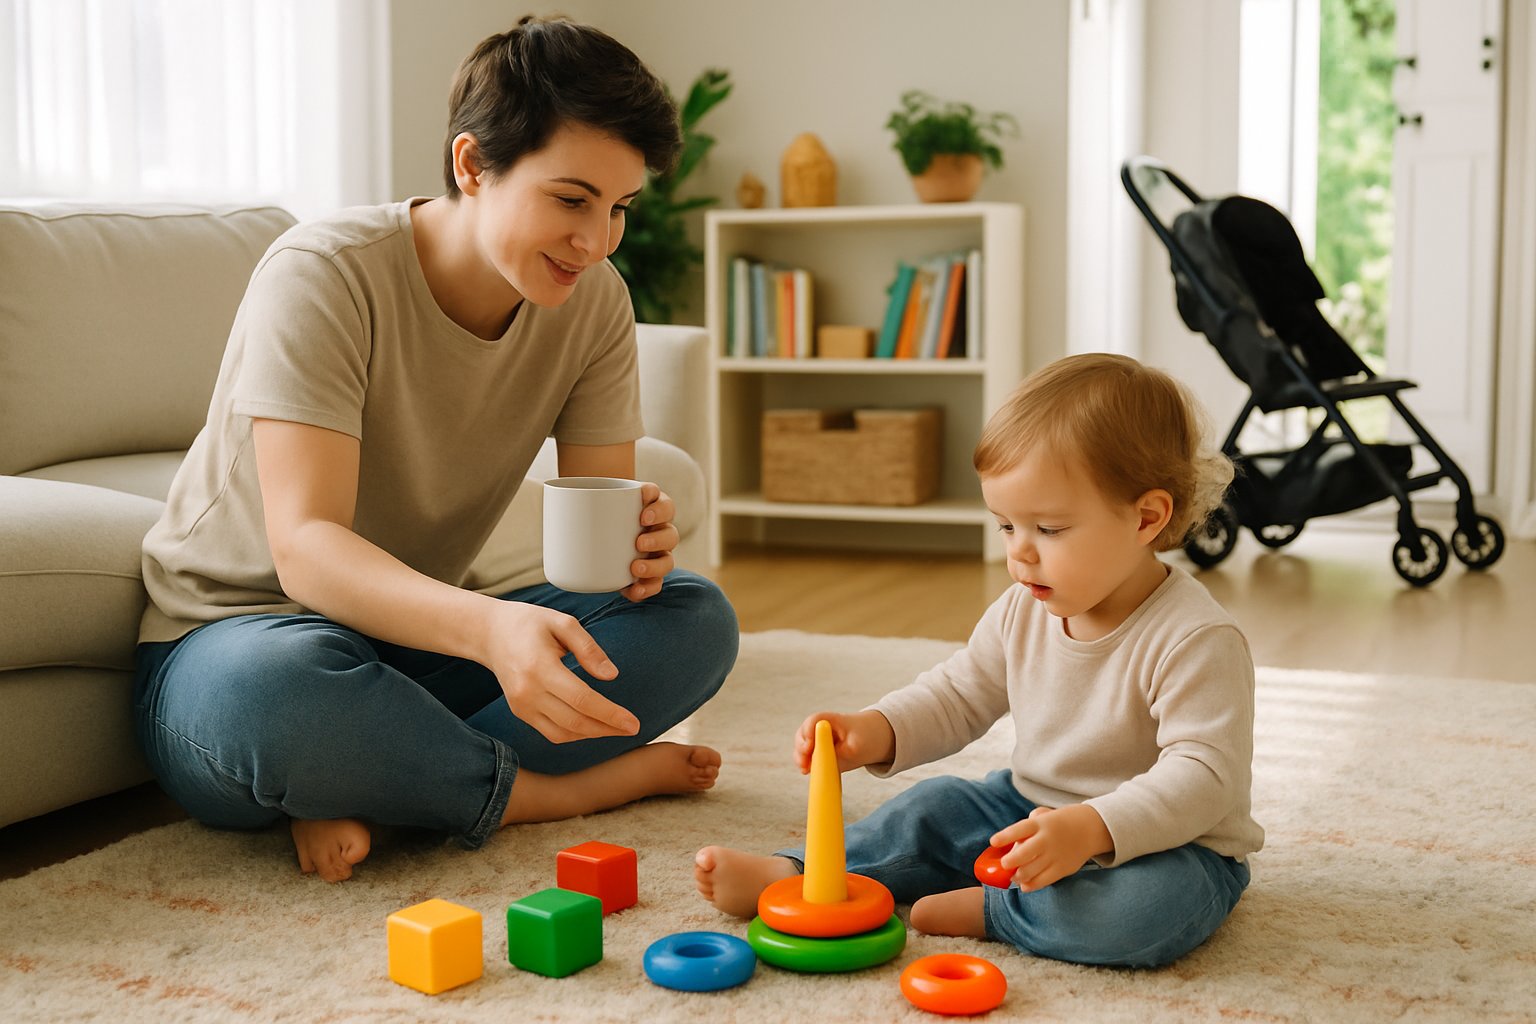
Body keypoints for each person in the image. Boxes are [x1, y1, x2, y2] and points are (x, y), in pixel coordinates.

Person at [133, 15, 738, 883]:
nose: (596, 240)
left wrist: (637, 552)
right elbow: (304, 552)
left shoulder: (596, 302)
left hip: (415, 643)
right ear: (471, 166)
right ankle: (543, 793)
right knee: (272, 702)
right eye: (571, 200)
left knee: (694, 618)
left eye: (618, 210)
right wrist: (493, 630)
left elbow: (597, 542)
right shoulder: (325, 274)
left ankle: (382, 779)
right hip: (234, 641)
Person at [695, 353, 1263, 968]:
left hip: (1173, 845)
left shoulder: (1195, 638)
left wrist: (1092, 828)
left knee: (1143, 913)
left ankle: (996, 913)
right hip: (1025, 807)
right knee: (931, 808)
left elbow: (1204, 778)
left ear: (1146, 518)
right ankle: (802, 875)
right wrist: (879, 730)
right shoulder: (1023, 607)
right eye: (1005, 526)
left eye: (1048, 529)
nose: (1021, 554)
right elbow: (958, 695)